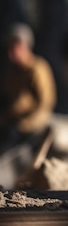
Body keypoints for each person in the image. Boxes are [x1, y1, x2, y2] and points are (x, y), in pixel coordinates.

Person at [0, 23, 56, 155]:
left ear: (25, 46)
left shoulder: (37, 69)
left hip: (32, 126)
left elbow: (46, 103)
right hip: (13, 123)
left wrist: (26, 124)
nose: (10, 52)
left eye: (14, 47)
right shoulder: (13, 72)